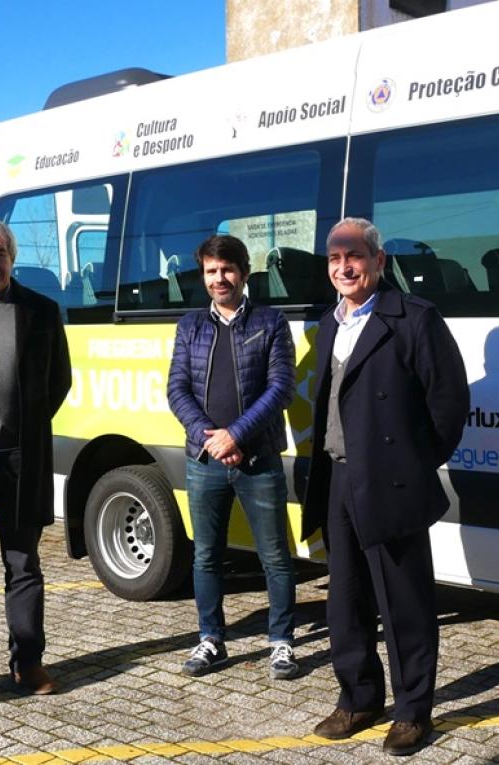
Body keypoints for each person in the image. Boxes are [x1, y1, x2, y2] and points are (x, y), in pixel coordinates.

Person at [302, 218, 469, 756]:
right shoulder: (330, 322)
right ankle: (357, 698)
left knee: (405, 603)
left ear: (378, 261)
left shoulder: (413, 318)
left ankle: (413, 710)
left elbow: (449, 404)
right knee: (345, 599)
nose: (343, 268)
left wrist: (413, 465)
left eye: (354, 257)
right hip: (337, 474)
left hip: (390, 480)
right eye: (334, 259)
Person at [167, 234, 298, 680]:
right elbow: (176, 389)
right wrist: (210, 438)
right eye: (210, 271)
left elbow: (281, 387)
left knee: (275, 556)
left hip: (257, 457)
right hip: (203, 460)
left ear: (243, 272)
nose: (218, 278)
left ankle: (281, 642)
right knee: (204, 555)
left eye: (226, 269)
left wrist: (236, 436)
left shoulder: (271, 322)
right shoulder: (189, 327)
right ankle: (210, 638)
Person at [0, 217, 71, 699]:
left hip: (19, 462)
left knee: (23, 565)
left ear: (12, 258)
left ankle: (28, 663)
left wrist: (28, 425)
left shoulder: (41, 311)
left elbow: (59, 380)